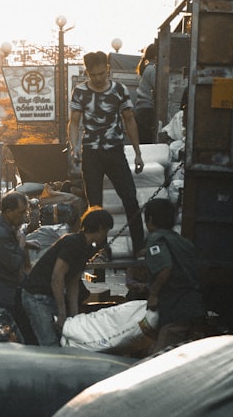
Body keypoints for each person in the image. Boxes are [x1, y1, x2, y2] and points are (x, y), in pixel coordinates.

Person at [69, 50, 146, 256]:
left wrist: (138, 153)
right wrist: (75, 147)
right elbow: (74, 122)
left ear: (108, 70)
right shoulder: (80, 92)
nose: (99, 78)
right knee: (94, 204)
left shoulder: (119, 90)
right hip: (91, 153)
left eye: (102, 73)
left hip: (115, 151)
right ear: (87, 73)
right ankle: (99, 248)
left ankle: (140, 246)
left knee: (130, 198)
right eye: (94, 75)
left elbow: (129, 119)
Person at [20, 207, 114, 346]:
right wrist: (63, 313)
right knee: (49, 342)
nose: (106, 235)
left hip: (49, 296)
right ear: (100, 228)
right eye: (106, 231)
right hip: (36, 297)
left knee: (63, 338)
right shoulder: (72, 243)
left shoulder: (85, 248)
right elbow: (57, 278)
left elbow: (73, 283)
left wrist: (74, 317)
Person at [138, 198, 207, 353]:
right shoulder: (181, 240)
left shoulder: (155, 239)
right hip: (193, 307)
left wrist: (154, 294)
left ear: (149, 219)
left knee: (159, 359)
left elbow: (165, 268)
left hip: (175, 309)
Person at [0, 191, 40, 334]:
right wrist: (22, 245)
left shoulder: (5, 223)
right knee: (2, 335)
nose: (24, 217)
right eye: (21, 212)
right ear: (9, 211)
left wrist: (27, 243)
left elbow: (11, 245)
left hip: (5, 290)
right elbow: (13, 263)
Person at [134, 42, 158, 144]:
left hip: (142, 110)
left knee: (144, 141)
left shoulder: (147, 68)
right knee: (147, 141)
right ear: (156, 55)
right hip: (147, 110)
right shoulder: (152, 70)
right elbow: (158, 88)